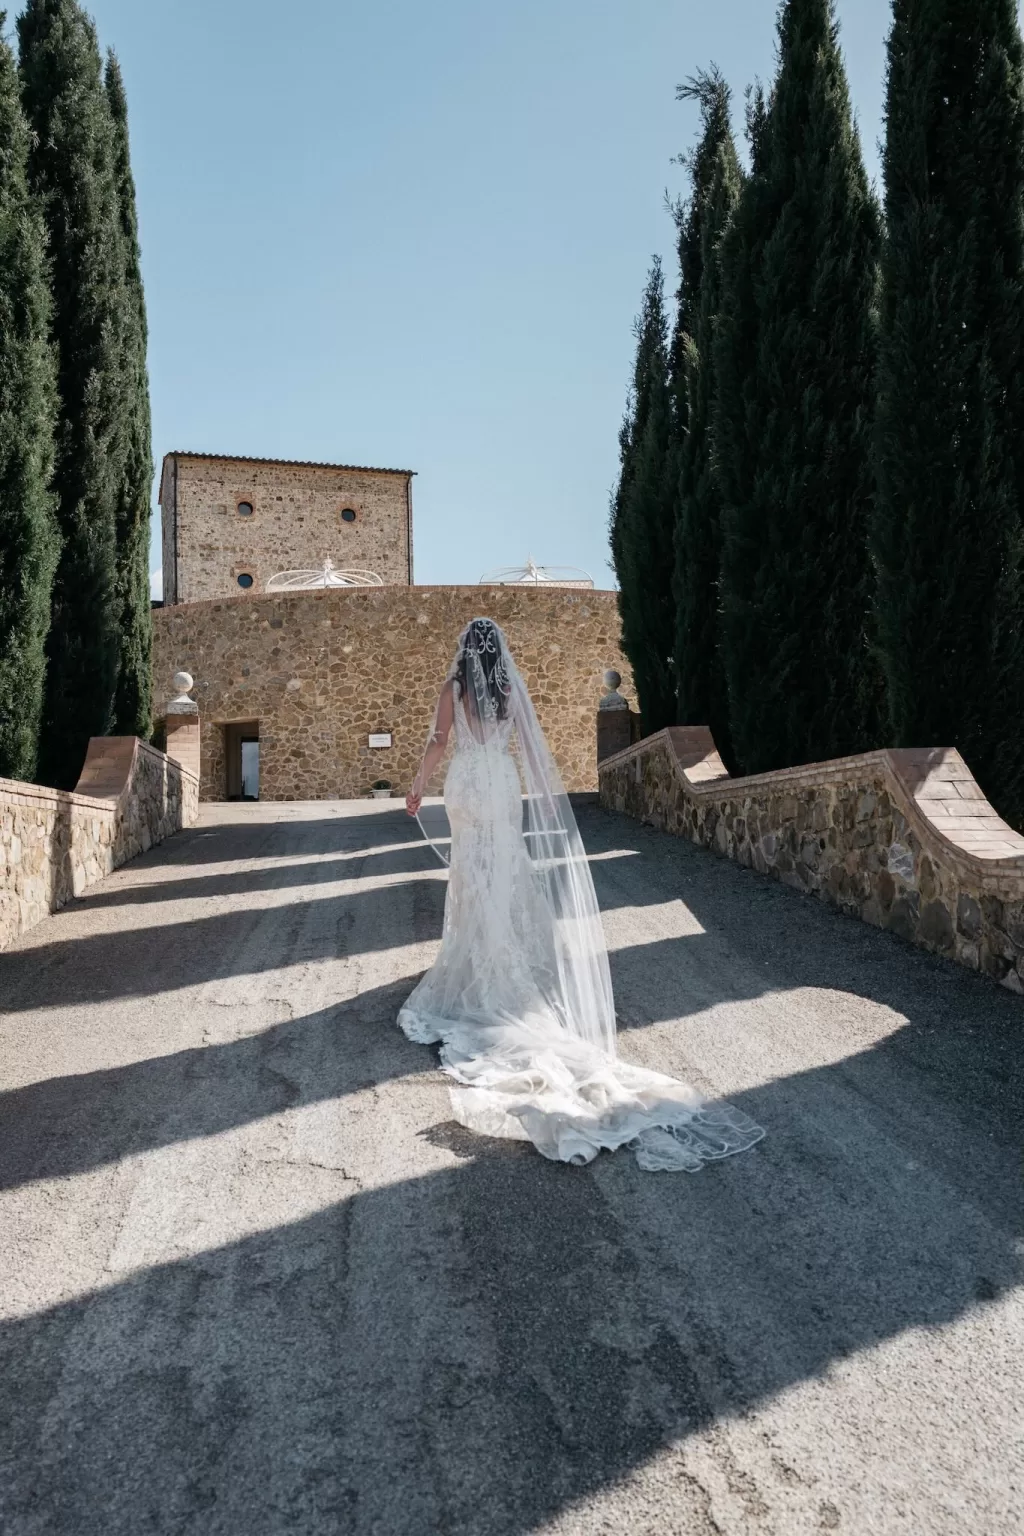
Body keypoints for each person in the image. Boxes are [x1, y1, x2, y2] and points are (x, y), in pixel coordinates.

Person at [400, 617, 764, 1172]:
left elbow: (438, 741)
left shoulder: (453, 690)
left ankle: (474, 955)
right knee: (506, 865)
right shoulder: (507, 691)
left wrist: (419, 784)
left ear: (464, 652)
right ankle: (507, 955)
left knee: (472, 870)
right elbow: (531, 746)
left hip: (467, 785)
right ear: (498, 653)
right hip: (499, 781)